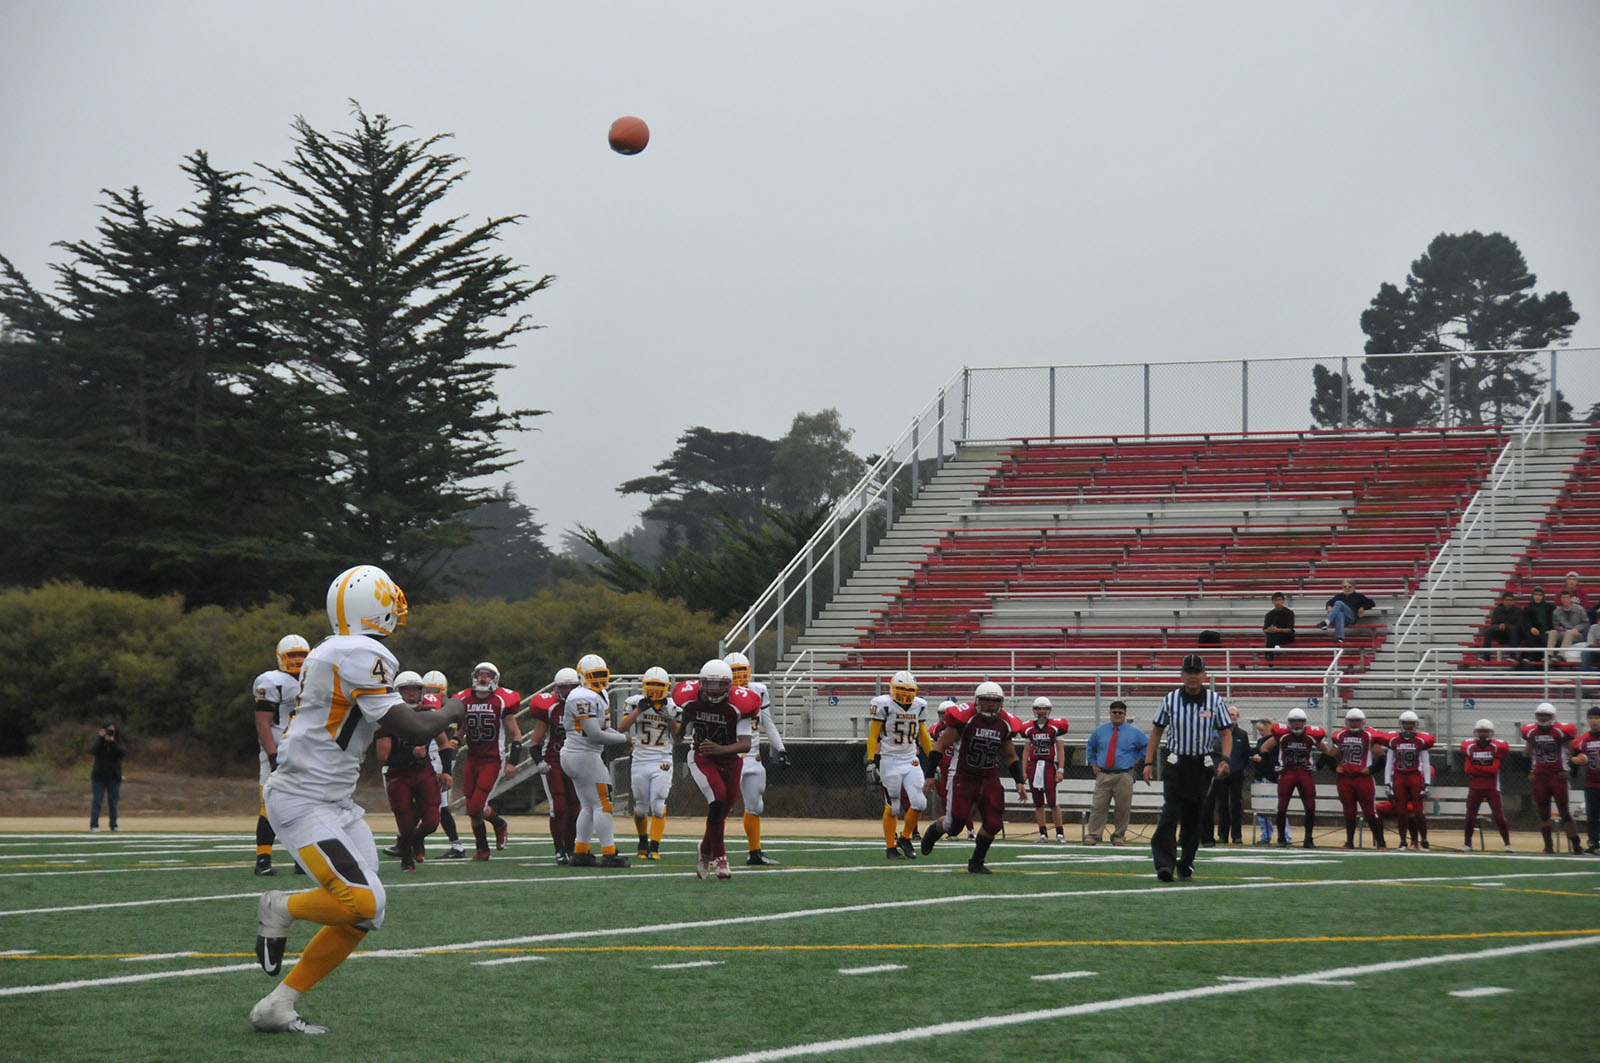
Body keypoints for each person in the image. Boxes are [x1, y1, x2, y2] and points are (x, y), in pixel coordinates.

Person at [250, 563, 465, 1035]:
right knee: (362, 902)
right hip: (303, 800)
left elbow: (388, 717)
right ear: (375, 608)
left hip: (334, 802)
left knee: (368, 913)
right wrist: (453, 707)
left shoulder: (335, 650)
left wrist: (434, 712)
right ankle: (281, 906)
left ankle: (277, 1005)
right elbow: (412, 728)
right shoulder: (360, 652)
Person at [1141, 655, 1235, 881]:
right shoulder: (1170, 699)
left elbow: (1225, 732)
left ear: (1204, 675)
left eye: (1197, 672)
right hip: (1176, 763)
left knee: (1195, 817)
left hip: (1202, 766)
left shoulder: (1214, 700)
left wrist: (1225, 758)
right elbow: (1156, 731)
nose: (1193, 676)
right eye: (1189, 672)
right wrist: (1148, 762)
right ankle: (1165, 864)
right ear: (1182, 675)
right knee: (1170, 813)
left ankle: (1186, 863)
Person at [920, 682, 1028, 874]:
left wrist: (1019, 781)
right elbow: (940, 745)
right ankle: (934, 830)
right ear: (977, 701)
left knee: (993, 823)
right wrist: (929, 775)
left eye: (995, 701)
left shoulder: (1004, 723)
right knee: (954, 826)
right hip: (963, 775)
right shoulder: (965, 718)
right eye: (986, 700)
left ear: (1001, 703)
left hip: (989, 777)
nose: (990, 705)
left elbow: (1011, 756)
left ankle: (977, 861)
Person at [672, 660, 762, 880]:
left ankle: (704, 850)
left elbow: (746, 744)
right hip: (703, 758)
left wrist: (721, 749)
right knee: (717, 800)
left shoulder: (738, 706)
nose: (713, 690)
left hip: (731, 760)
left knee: (722, 810)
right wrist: (681, 729)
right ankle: (720, 858)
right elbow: (687, 714)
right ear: (701, 683)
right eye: (709, 684)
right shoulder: (690, 699)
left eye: (719, 685)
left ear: (729, 685)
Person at [560, 653, 632, 867]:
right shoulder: (581, 696)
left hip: (580, 755)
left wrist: (621, 738)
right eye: (594, 675)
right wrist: (624, 738)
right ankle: (609, 853)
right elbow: (595, 734)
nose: (599, 680)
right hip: (583, 755)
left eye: (602, 674)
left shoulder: (598, 694)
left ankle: (580, 851)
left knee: (589, 806)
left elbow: (603, 729)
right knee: (603, 805)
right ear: (582, 676)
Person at [452, 662, 523, 860]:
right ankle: (482, 850)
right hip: (472, 758)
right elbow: (461, 729)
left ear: (495, 679)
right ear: (474, 677)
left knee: (476, 807)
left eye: (488, 675)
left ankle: (499, 824)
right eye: (480, 675)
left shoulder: (501, 700)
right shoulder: (464, 700)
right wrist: (454, 741)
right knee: (472, 809)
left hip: (493, 760)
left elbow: (517, 735)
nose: (483, 678)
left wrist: (512, 762)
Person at [725, 651, 789, 866]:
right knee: (722, 805)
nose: (739, 676)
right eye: (735, 672)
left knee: (755, 806)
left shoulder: (758, 691)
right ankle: (715, 850)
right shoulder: (719, 694)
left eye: (742, 671)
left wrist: (780, 748)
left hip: (753, 756)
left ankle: (755, 852)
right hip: (730, 756)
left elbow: (767, 723)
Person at [252, 634, 309, 875]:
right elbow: (263, 723)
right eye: (292, 655)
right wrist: (273, 755)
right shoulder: (271, 681)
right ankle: (263, 860)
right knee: (270, 805)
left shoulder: (314, 678)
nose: (297, 660)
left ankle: (302, 859)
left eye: (301, 655)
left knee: (306, 806)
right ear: (280, 658)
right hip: (278, 749)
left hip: (306, 751)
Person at [865, 670, 934, 860]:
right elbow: (873, 735)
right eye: (901, 689)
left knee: (919, 803)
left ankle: (905, 838)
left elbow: (923, 734)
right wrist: (870, 761)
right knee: (893, 806)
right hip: (889, 759)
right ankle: (890, 848)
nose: (905, 693)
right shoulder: (884, 704)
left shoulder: (919, 705)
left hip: (910, 758)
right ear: (892, 688)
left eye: (909, 690)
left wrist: (933, 758)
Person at [376, 672, 441, 872]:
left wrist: (447, 771)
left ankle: (417, 840)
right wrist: (410, 754)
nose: (412, 693)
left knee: (432, 821)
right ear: (398, 692)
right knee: (405, 821)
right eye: (406, 689)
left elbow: (445, 744)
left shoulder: (428, 715)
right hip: (399, 773)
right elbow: (383, 758)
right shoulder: (388, 719)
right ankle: (406, 858)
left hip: (424, 770)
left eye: (416, 689)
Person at [619, 667, 677, 861]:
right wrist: (639, 710)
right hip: (640, 759)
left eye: (658, 686)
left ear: (666, 687)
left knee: (658, 805)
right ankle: (643, 841)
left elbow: (678, 737)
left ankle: (655, 846)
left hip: (662, 759)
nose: (654, 690)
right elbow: (622, 727)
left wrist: (670, 719)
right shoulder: (635, 702)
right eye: (651, 685)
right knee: (641, 808)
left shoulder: (671, 706)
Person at [526, 668, 580, 864]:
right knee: (560, 807)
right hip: (554, 761)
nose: (568, 691)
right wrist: (539, 761)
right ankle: (559, 849)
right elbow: (535, 742)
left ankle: (570, 848)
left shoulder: (585, 705)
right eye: (564, 687)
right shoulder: (550, 708)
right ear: (557, 688)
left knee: (575, 808)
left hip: (576, 760)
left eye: (572, 687)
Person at [1256, 707, 1324, 848]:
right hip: (1288, 771)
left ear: (1304, 722)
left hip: (1304, 772)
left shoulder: (1311, 735)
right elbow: (1264, 748)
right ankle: (1281, 838)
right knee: (1282, 807)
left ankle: (1308, 838)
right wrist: (1275, 764)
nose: (1297, 724)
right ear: (1289, 722)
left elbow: (1327, 751)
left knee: (1310, 807)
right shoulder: (1283, 734)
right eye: (1294, 721)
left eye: (1300, 721)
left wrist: (1317, 766)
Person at [1322, 708, 1388, 849]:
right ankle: (1349, 842)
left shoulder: (1369, 736)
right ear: (1347, 721)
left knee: (1370, 812)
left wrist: (1370, 769)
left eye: (1357, 720)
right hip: (1345, 779)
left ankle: (1381, 842)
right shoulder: (1340, 736)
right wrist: (1335, 767)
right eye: (1351, 720)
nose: (1354, 723)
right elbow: (1330, 756)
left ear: (1363, 722)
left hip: (1363, 779)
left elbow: (1382, 757)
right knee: (1349, 812)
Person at [1084, 701, 1146, 846]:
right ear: (1110, 713)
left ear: (1125, 714)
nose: (1117, 715)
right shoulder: (1100, 731)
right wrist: (1093, 762)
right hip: (1103, 774)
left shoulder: (1134, 732)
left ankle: (1118, 836)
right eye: (1114, 712)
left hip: (1124, 775)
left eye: (1120, 713)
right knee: (1098, 806)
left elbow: (1147, 746)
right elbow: (1090, 746)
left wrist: (1137, 758)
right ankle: (1093, 835)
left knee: (1123, 808)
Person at [1521, 702, 1581, 854]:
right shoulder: (1531, 732)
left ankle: (1576, 846)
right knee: (1543, 814)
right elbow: (1526, 753)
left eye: (1546, 715)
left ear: (1552, 716)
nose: (1542, 718)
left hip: (1557, 775)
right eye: (1540, 715)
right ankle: (1548, 846)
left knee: (1564, 812)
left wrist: (1571, 771)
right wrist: (1529, 772)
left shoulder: (1561, 731)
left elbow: (1574, 752)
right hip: (1540, 776)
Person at [421, 670, 466, 858]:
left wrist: (456, 739)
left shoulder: (448, 706)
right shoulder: (450, 706)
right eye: (428, 690)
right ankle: (456, 845)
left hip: (440, 759)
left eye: (435, 690)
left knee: (434, 803)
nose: (432, 694)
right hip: (435, 757)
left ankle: (411, 840)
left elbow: (462, 724)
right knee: (441, 804)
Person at [1458, 719, 1513, 853]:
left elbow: (1493, 769)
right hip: (1475, 787)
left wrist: (1476, 767)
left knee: (1499, 817)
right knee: (1470, 817)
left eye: (1485, 731)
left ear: (1490, 732)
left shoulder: (1496, 748)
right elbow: (1467, 770)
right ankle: (1467, 843)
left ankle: (1507, 844)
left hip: (1492, 787)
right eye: (1480, 731)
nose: (1483, 734)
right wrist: (1484, 768)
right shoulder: (1470, 747)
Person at [1020, 696, 1069, 843]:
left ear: (1049, 710)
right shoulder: (1028, 728)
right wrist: (1023, 770)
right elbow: (1026, 751)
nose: (1042, 711)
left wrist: (1060, 770)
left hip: (1049, 765)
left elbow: (1060, 749)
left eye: (1045, 708)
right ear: (1034, 710)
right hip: (1034, 766)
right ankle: (1043, 833)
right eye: (1039, 708)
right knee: (1038, 802)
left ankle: (1060, 833)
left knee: (1053, 801)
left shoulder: (1056, 727)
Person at [1383, 710, 1434, 850]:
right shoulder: (1393, 740)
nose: (1408, 726)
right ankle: (1403, 841)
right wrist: (1387, 783)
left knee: (1419, 811)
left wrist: (1427, 783)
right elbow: (1389, 763)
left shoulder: (1421, 740)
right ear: (1401, 724)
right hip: (1399, 776)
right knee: (1401, 812)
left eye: (1411, 724)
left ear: (1416, 725)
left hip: (1414, 775)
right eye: (1405, 723)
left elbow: (1426, 763)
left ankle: (1424, 840)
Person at [1201, 717, 1249, 845]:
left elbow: (1246, 754)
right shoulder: (1219, 733)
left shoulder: (1242, 734)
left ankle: (1237, 835)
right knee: (1222, 804)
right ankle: (1223, 835)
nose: (1231, 717)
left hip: (1236, 774)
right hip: (1222, 774)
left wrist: (1238, 767)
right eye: (1229, 714)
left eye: (1234, 715)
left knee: (1236, 804)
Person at [1248, 718, 1289, 845]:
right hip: (1261, 777)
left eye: (1262, 730)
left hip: (1273, 778)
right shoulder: (1260, 741)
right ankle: (1266, 836)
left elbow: (1275, 761)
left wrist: (1262, 760)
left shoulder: (1277, 742)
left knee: (1279, 808)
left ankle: (1285, 836)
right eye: (1259, 730)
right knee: (1262, 809)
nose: (1261, 733)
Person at [1571, 707, 1600, 854]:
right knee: (1592, 816)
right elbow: (1574, 760)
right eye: (1591, 717)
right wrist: (1576, 761)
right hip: (1592, 783)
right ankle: (1593, 844)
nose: (1593, 721)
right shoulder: (1582, 740)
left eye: (1597, 717)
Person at [89, 723, 126, 832]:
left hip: (114, 777)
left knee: (113, 802)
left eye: (112, 731)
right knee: (97, 801)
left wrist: (112, 742)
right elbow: (93, 751)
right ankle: (94, 825)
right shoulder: (100, 742)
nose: (110, 733)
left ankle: (113, 825)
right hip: (99, 777)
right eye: (108, 730)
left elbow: (122, 753)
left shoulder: (118, 742)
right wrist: (101, 739)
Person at [1480, 590, 1523, 664]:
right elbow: (1493, 624)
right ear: (1503, 601)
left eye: (1510, 600)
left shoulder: (1518, 610)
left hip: (1515, 636)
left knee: (1512, 629)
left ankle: (1513, 656)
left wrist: (1506, 626)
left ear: (1513, 601)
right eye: (1506, 600)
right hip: (1501, 635)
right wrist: (1498, 626)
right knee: (1488, 631)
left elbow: (1520, 625)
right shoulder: (1497, 610)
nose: (1508, 602)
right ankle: (1486, 656)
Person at [1518, 586, 1555, 668]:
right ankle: (1530, 657)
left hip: (1547, 631)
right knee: (1530, 635)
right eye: (1536, 594)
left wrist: (1551, 629)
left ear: (1543, 596)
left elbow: (1553, 621)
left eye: (1540, 595)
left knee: (1548, 636)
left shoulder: (1550, 607)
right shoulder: (1528, 608)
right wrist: (1531, 628)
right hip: (1534, 631)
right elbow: (1526, 621)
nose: (1538, 597)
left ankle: (1546, 658)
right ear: (1532, 595)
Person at [1551, 589, 1589, 661]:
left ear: (1571, 599)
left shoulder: (1579, 609)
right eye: (1563, 597)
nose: (1565, 599)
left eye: (1567, 597)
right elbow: (1555, 625)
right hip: (1564, 632)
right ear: (1560, 599)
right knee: (1553, 632)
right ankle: (1549, 654)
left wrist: (1577, 628)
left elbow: (1586, 623)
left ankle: (1560, 655)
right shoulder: (1556, 612)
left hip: (1578, 634)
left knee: (1569, 632)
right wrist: (1558, 628)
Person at [1262, 592, 1296, 666]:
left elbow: (1290, 630)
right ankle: (1273, 651)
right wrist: (1269, 630)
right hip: (1274, 636)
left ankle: (1269, 656)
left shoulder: (1289, 613)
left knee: (1273, 636)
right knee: (1271, 635)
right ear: (1272, 602)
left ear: (1283, 601)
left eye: (1279, 600)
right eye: (1275, 600)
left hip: (1287, 636)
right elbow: (1265, 629)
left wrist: (1277, 630)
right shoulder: (1269, 614)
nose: (1278, 602)